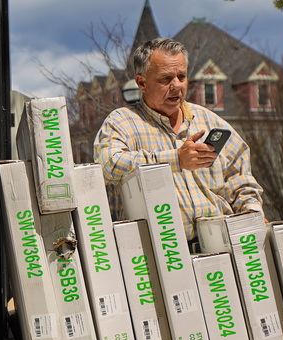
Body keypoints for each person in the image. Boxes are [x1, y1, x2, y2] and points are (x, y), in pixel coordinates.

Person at [93, 38, 264, 242]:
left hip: (222, 248)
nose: (176, 86)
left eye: (181, 76)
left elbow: (241, 178)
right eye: (165, 79)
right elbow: (106, 165)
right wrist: (175, 160)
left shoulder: (210, 121)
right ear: (141, 83)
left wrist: (253, 214)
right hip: (158, 257)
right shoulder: (122, 122)